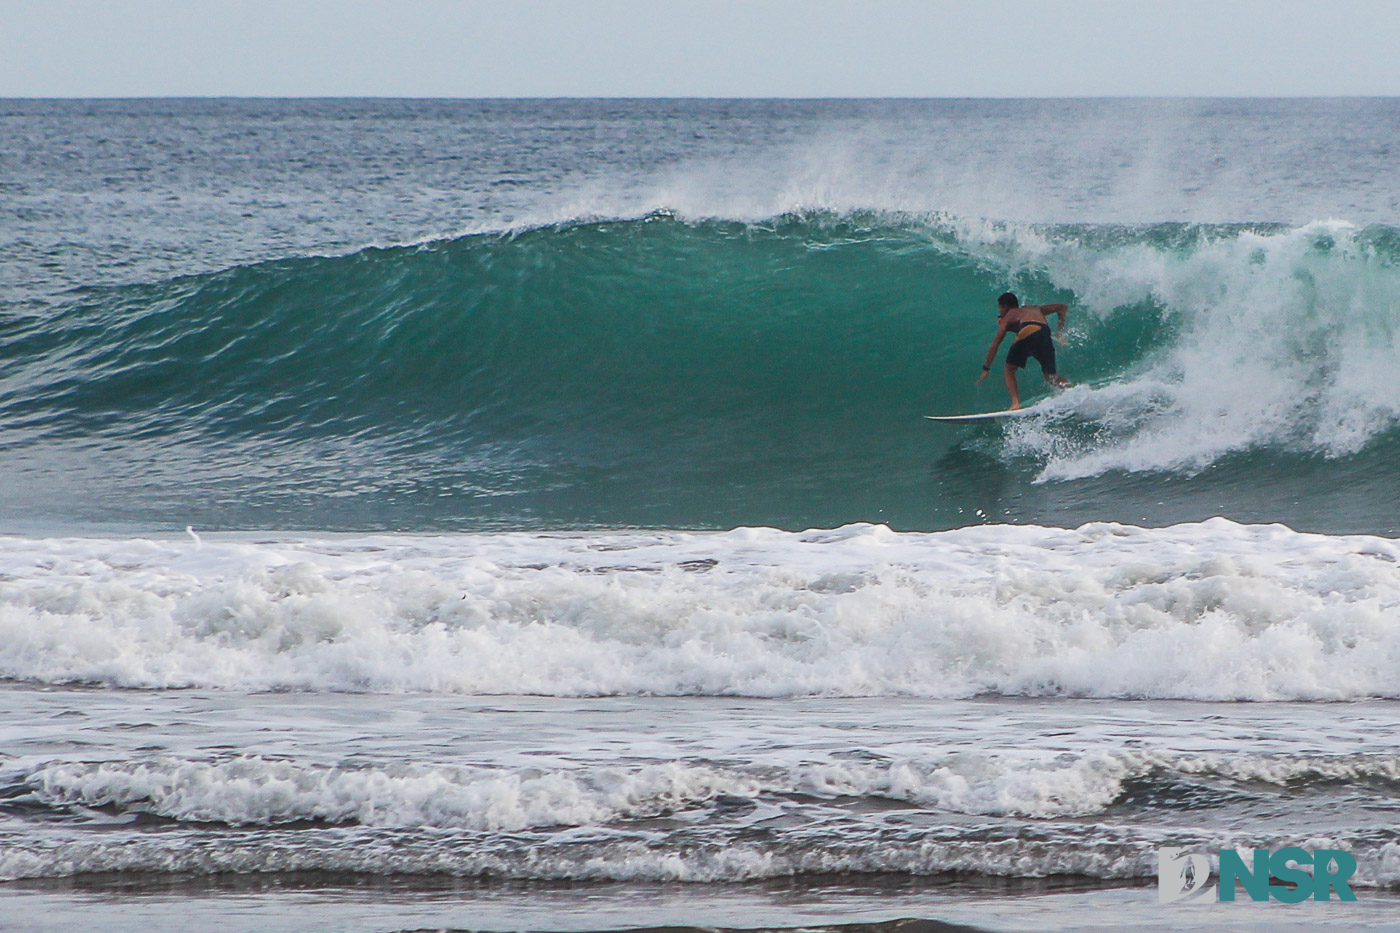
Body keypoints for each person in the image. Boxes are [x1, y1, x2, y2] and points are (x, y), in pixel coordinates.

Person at [975, 292, 1071, 409]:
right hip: (1044, 332)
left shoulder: (1010, 314)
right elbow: (1062, 307)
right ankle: (1072, 391)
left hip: (1028, 330)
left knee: (1009, 370)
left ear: (1005, 307)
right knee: (1051, 377)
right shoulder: (1034, 308)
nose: (1000, 312)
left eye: (999, 308)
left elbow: (995, 344)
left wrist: (986, 368)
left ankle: (1015, 403)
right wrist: (1060, 332)